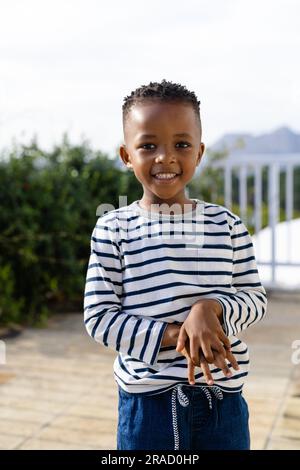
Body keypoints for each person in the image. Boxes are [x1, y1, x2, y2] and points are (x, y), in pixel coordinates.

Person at [83, 79, 267, 450]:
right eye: (148, 145)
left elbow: (255, 300)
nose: (165, 157)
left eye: (181, 145)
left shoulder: (226, 225)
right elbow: (99, 318)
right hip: (147, 407)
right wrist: (179, 334)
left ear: (199, 153)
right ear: (126, 155)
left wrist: (209, 309)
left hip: (223, 403)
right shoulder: (113, 227)